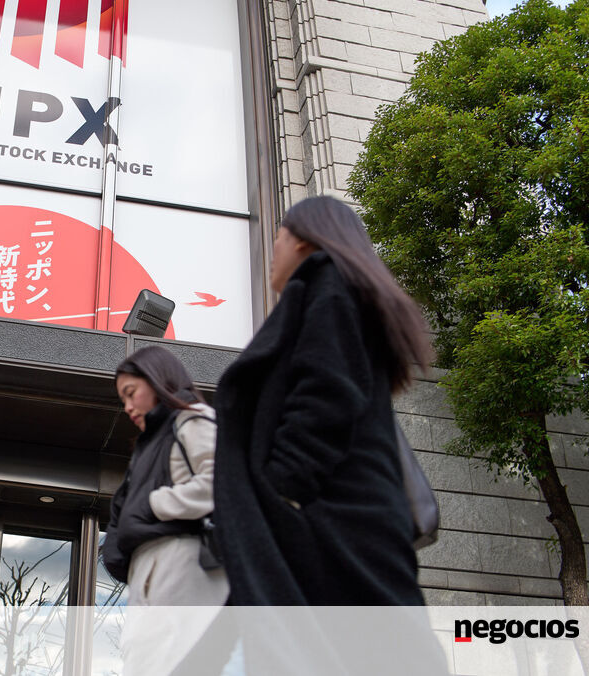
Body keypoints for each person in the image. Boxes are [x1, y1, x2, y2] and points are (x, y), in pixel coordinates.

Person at [211, 196, 445, 673]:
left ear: (302, 237)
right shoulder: (340, 292)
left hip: (328, 522)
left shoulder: (329, 284)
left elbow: (326, 392)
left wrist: (281, 492)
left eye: (277, 235)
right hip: (340, 522)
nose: (272, 249)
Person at [101, 346, 230, 675]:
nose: (128, 407)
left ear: (157, 381)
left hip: (182, 562)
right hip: (148, 572)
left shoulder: (192, 418)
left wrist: (155, 503)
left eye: (131, 393)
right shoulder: (149, 443)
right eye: (123, 399)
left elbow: (222, 481)